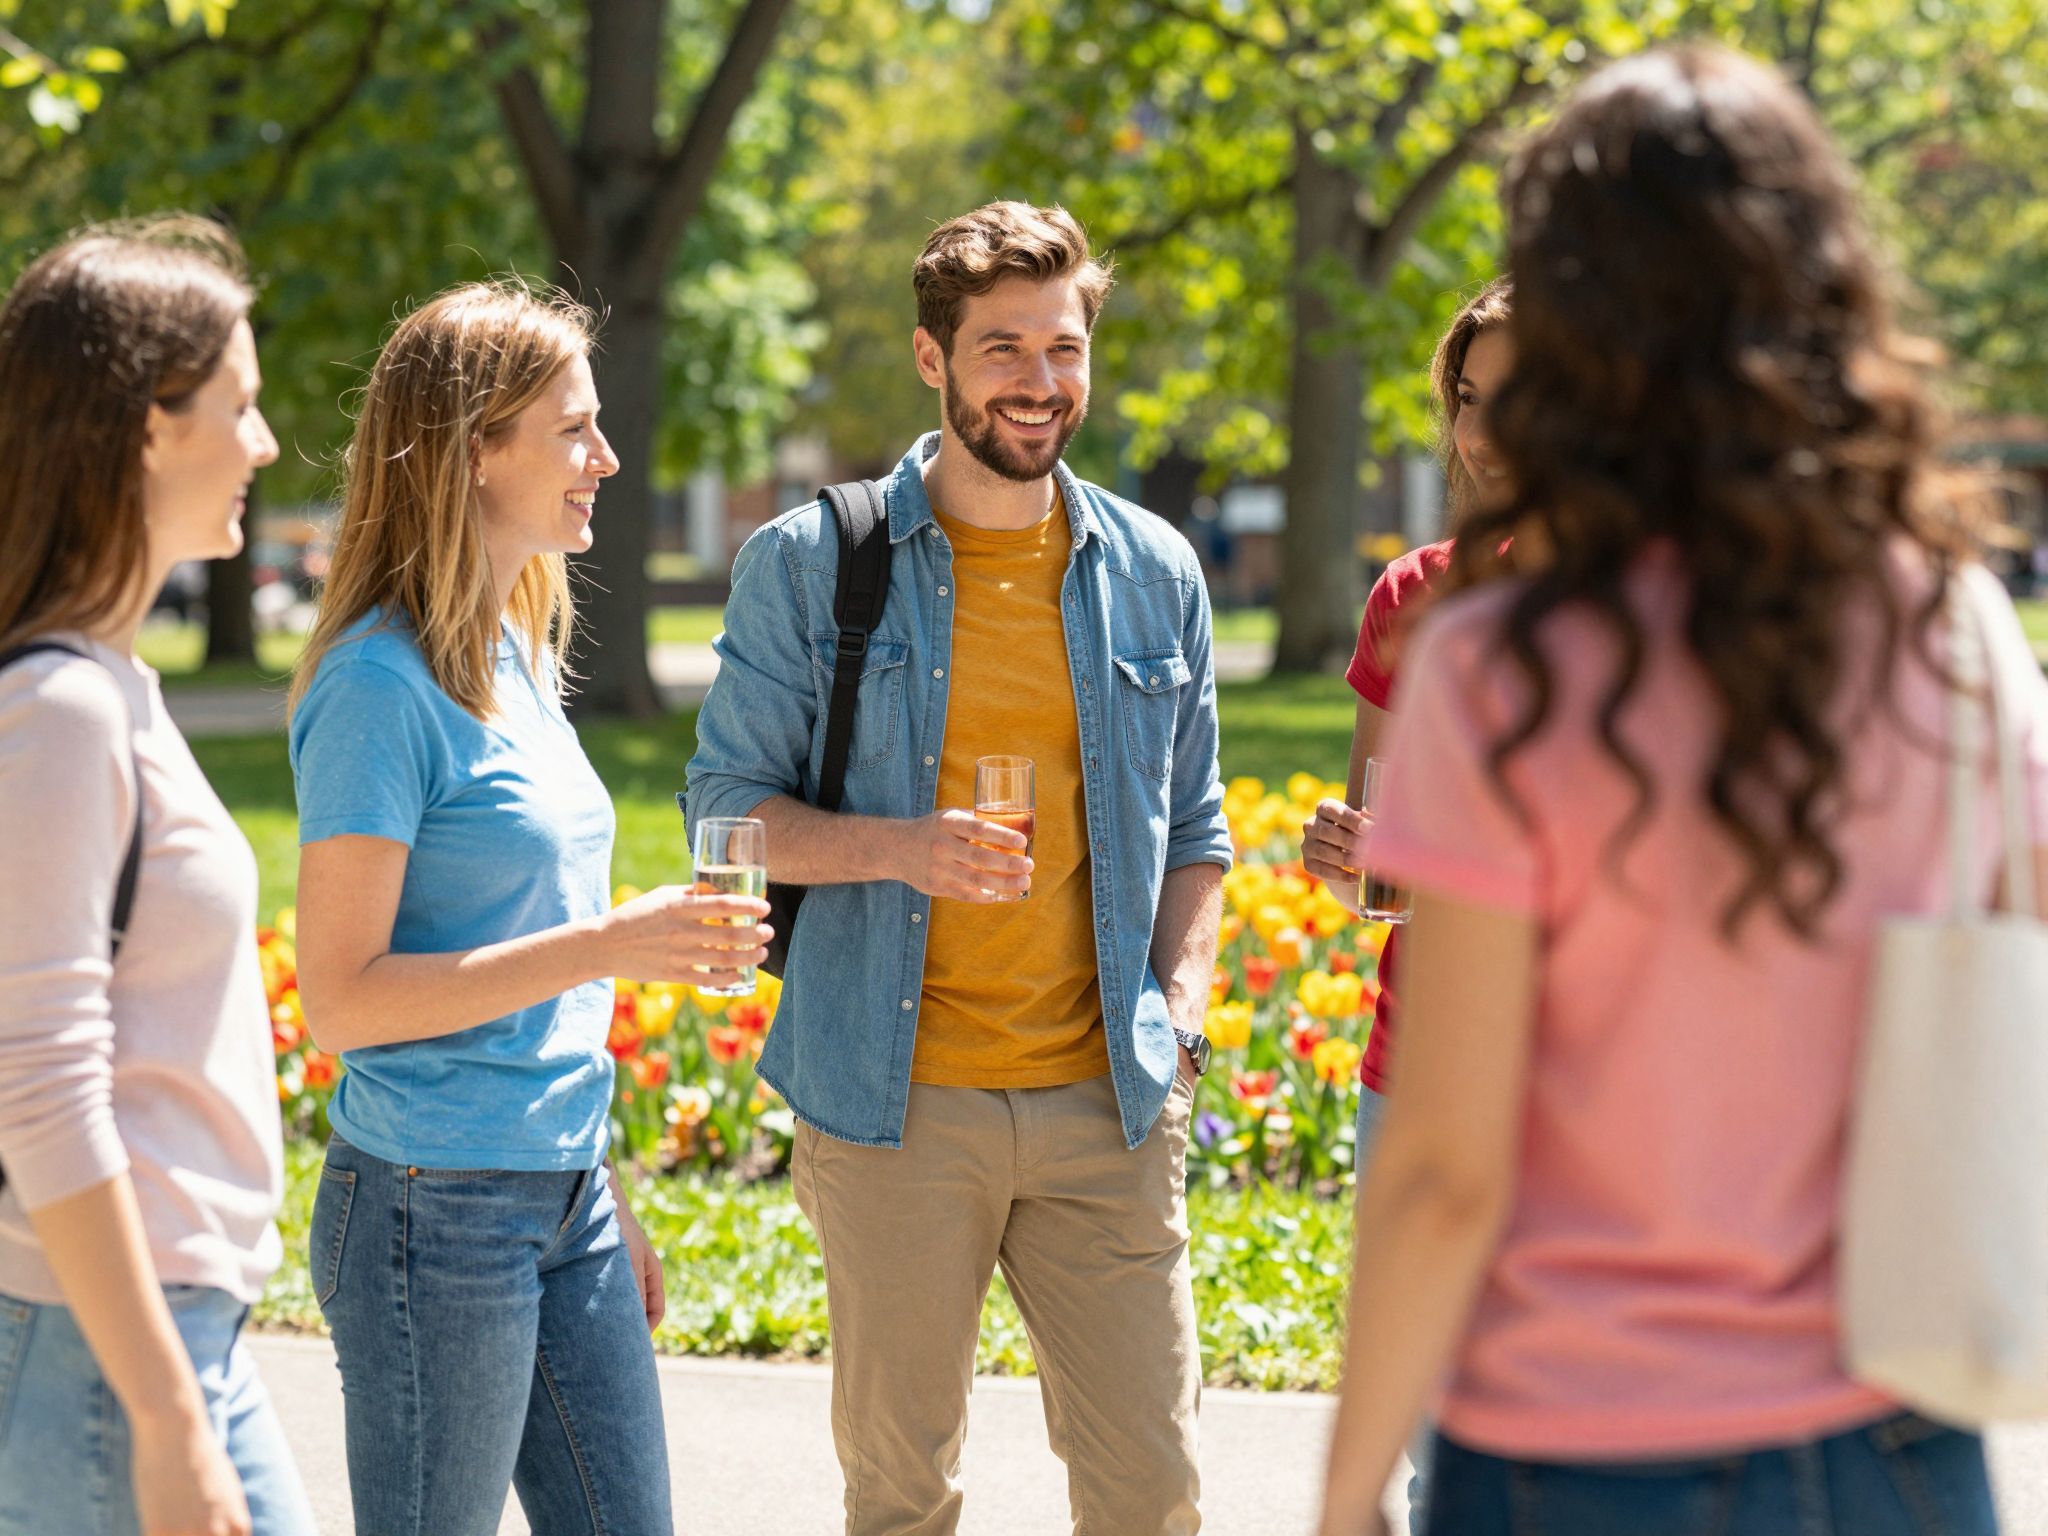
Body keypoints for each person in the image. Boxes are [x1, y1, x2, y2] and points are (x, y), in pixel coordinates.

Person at [1318, 44, 2034, 1536]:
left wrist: (1343, 1498)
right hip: (1894, 1436)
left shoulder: (1500, 668)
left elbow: (1445, 1171)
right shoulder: (1948, 620)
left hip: (1565, 1447)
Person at [686, 201, 1232, 1536]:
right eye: (1002, 348)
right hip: (894, 1106)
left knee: (1153, 1492)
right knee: (903, 1494)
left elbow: (1197, 830)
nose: (1039, 382)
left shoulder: (1154, 570)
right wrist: (903, 849)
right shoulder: (811, 564)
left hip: (1106, 1100)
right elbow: (725, 813)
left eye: (1064, 346)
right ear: (932, 358)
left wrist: (1181, 1021)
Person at [288, 282, 772, 1535]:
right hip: (429, 1204)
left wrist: (595, 1182)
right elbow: (341, 1000)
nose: (605, 457)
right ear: (473, 450)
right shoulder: (376, 686)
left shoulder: (514, 653)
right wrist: (608, 944)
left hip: (562, 1192)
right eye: (572, 430)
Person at [0, 217, 312, 1536]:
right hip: (111, 1357)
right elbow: (40, 1086)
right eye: (238, 406)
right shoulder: (61, 711)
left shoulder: (110, 686)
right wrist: (165, 1414)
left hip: (154, 1342)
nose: (266, 443)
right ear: (145, 429)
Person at [1298, 274, 1513, 1533]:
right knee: (1443, 1450)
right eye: (1466, 398)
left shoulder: (1659, 603)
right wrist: (1346, 858)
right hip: (1414, 1060)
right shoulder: (1412, 594)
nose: (1481, 432)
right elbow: (1376, 864)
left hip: (1569, 1076)